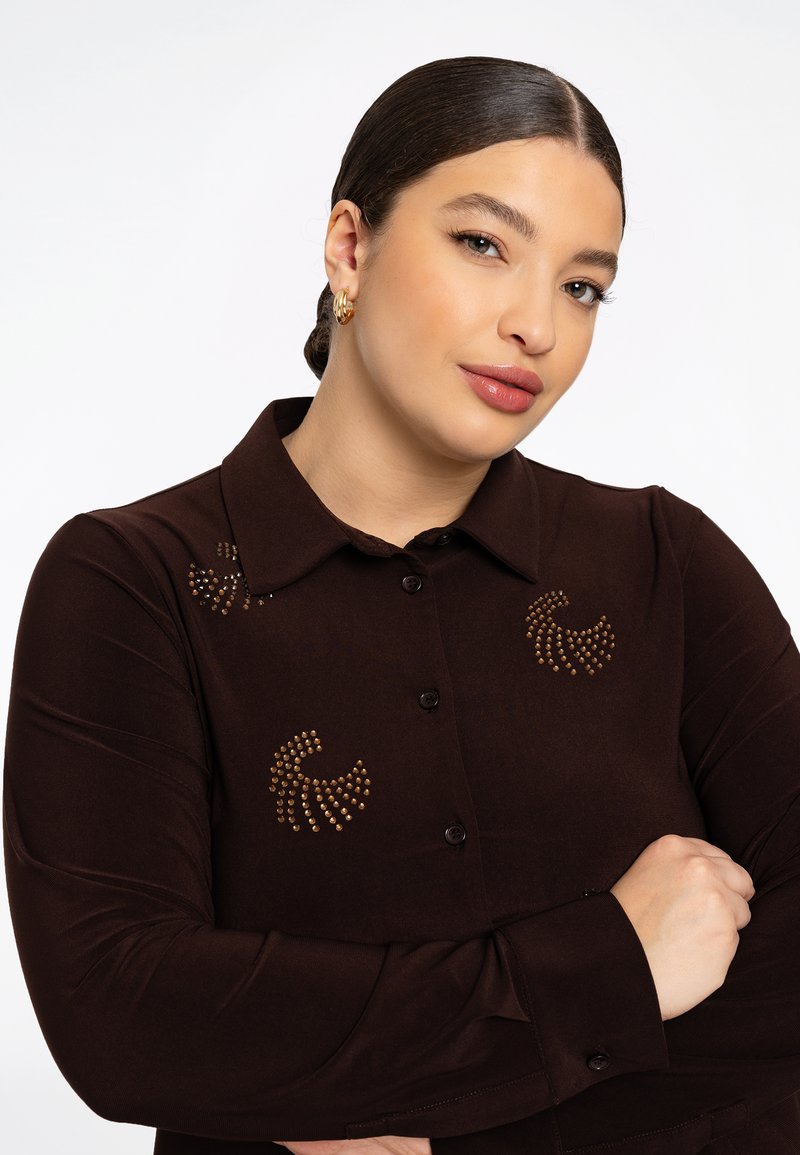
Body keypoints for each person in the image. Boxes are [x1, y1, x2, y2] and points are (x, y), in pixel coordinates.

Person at [4, 54, 800, 1155]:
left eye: (581, 286)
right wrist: (614, 966)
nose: (537, 326)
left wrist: (374, 1102)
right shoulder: (135, 584)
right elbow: (124, 1014)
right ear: (349, 247)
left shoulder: (666, 563)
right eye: (483, 244)